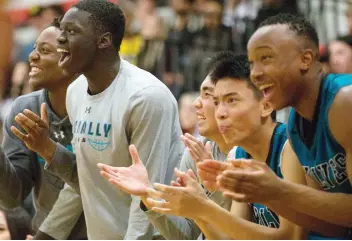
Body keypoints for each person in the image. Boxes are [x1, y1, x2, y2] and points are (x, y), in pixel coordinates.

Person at [14, 0, 183, 239]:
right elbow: (86, 180)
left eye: (71, 32)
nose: (60, 38)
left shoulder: (145, 97)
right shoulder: (76, 92)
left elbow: (147, 197)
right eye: (62, 30)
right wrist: (48, 149)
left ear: (103, 41)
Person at [101, 53, 310, 239]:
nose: (220, 112)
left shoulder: (289, 147)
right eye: (217, 102)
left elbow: (291, 237)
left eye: (231, 100)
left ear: (266, 105)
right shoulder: (238, 154)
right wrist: (194, 208)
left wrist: (205, 207)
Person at [201, 13, 352, 239]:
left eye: (267, 59)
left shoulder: (344, 102)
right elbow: (333, 226)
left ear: (306, 59)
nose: (256, 73)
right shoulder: (296, 124)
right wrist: (265, 193)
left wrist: (278, 190)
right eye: (252, 63)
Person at [98, 52, 236, 240]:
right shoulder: (195, 152)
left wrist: (216, 190)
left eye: (207, 95)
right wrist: (148, 197)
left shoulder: (258, 152)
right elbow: (187, 235)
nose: (197, 103)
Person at [1, 18, 86, 239]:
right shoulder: (24, 108)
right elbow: (12, 197)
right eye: (34, 48)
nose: (32, 56)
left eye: (45, 50)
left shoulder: (98, 110)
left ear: (71, 60)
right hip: (44, 233)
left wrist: (47, 148)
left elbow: (92, 186)